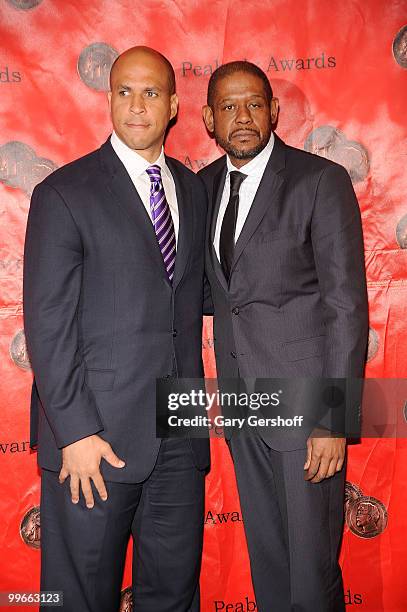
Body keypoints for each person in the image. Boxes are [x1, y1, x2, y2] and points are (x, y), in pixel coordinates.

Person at [23, 46, 209, 612]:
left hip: (178, 433)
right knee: (78, 598)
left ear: (174, 105)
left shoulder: (192, 189)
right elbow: (47, 325)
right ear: (107, 99)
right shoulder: (63, 193)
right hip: (93, 442)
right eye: (124, 91)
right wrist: (75, 433)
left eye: (151, 92)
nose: (136, 104)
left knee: (173, 595)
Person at [199, 61, 368, 611]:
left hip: (305, 405)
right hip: (241, 403)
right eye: (228, 106)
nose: (242, 116)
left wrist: (333, 418)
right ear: (208, 119)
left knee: (310, 573)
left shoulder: (319, 181)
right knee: (269, 560)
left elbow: (346, 306)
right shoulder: (201, 188)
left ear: (274, 111)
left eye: (253, 104)